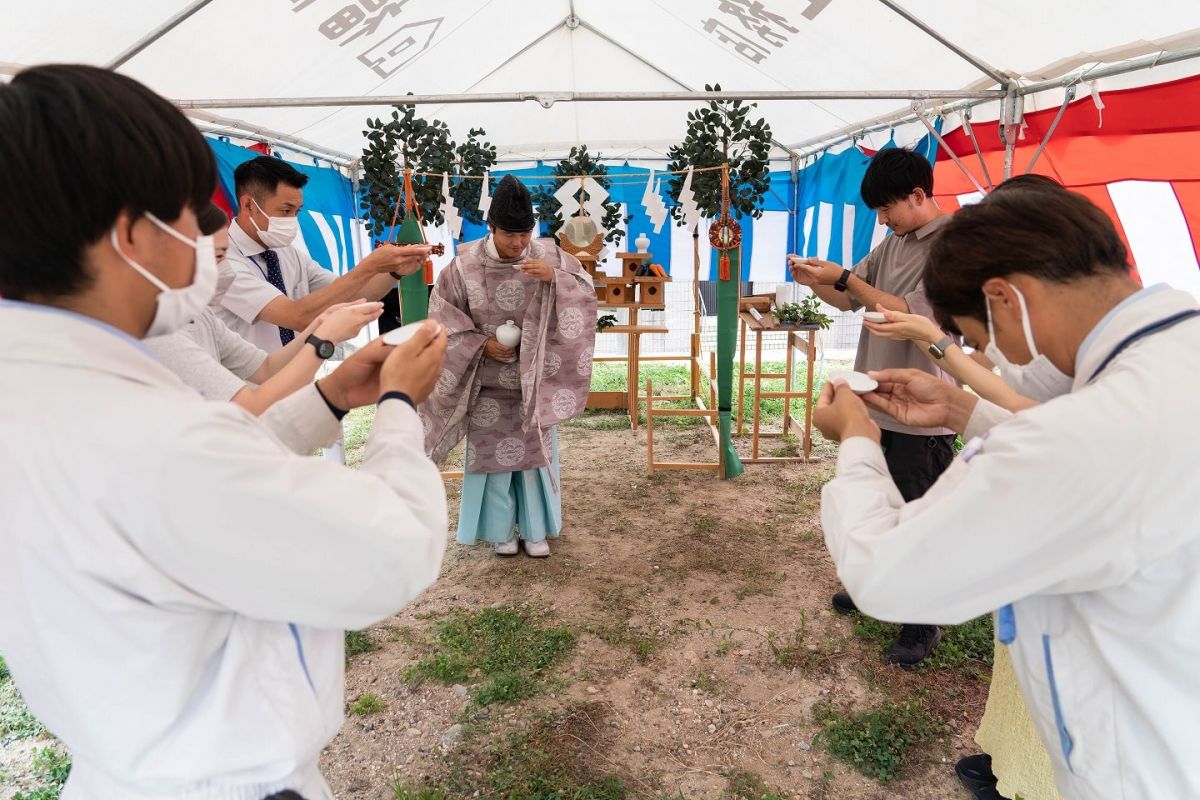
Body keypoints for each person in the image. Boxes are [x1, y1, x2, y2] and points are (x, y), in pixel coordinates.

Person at [0, 64, 450, 800]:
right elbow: (388, 551)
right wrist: (399, 408)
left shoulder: (46, 392)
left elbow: (216, 469)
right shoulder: (143, 434)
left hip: (123, 764)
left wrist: (330, 396)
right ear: (131, 237)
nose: (204, 241)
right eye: (188, 215)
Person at [812, 180, 1200, 800]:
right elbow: (1084, 458)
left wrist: (857, 440)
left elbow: (887, 572)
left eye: (980, 339)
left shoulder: (1079, 437)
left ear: (1006, 298)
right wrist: (965, 410)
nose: (990, 358)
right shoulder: (1174, 351)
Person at [787, 146, 956, 667]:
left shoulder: (952, 244)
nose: (881, 220)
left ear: (919, 195)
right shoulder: (894, 240)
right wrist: (817, 282)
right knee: (879, 507)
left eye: (886, 209)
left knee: (919, 517)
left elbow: (911, 313)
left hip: (924, 405)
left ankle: (921, 625)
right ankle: (874, 589)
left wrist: (844, 279)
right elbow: (852, 298)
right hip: (879, 398)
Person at [421, 175, 597, 558]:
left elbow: (585, 293)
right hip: (486, 380)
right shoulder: (462, 267)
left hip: (537, 379)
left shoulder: (550, 257)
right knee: (493, 461)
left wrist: (555, 279)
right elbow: (441, 318)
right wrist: (481, 344)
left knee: (535, 458)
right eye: (509, 235)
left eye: (524, 234)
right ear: (491, 227)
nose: (518, 243)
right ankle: (501, 532)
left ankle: (536, 530)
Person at [147, 204, 385, 441]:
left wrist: (320, 326)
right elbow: (250, 408)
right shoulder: (161, 334)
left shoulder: (201, 316)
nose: (225, 268)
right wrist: (325, 339)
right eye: (219, 256)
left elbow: (267, 368)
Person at [215, 155, 430, 352]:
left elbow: (353, 295)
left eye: (297, 212)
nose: (292, 220)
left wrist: (394, 272)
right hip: (245, 389)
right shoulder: (223, 261)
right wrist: (369, 266)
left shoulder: (286, 253)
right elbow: (295, 316)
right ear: (248, 205)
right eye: (285, 210)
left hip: (294, 381)